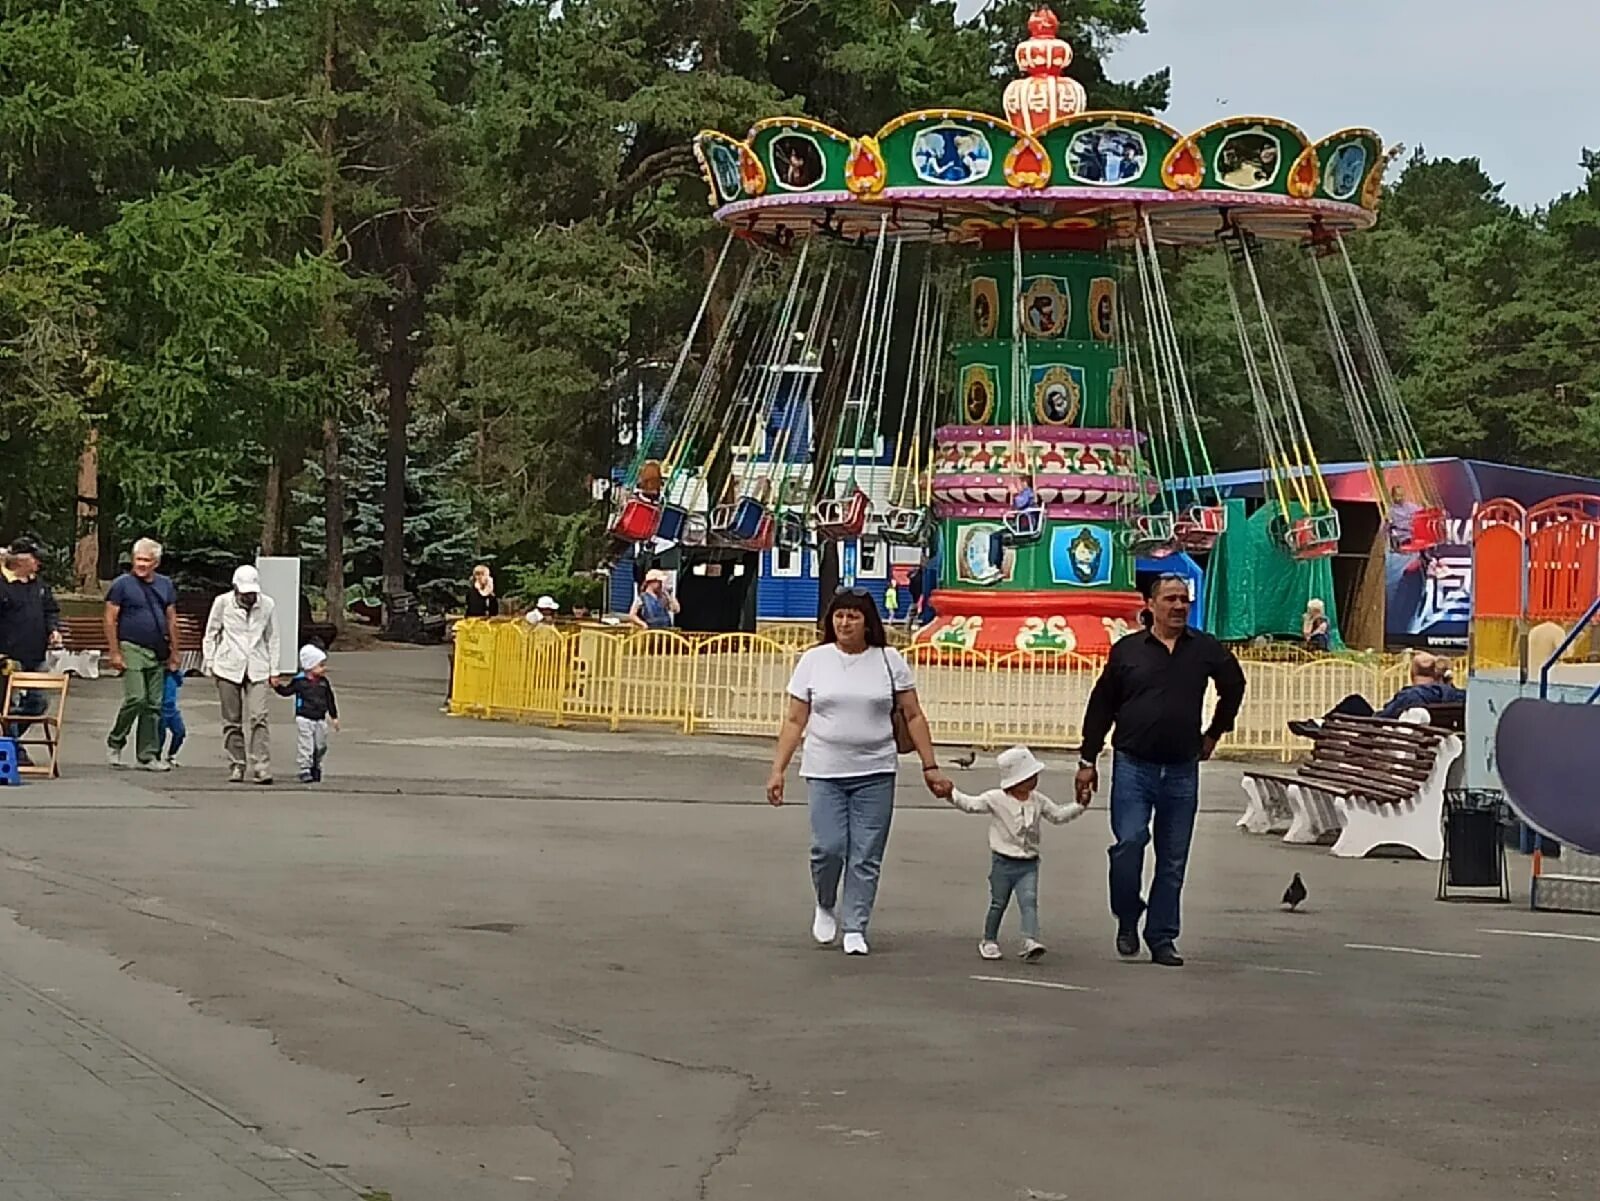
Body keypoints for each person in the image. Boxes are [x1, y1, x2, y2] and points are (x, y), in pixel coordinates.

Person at [767, 589, 952, 956]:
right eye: (839, 616)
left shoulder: (889, 659)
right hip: (825, 769)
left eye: (853, 616)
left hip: (876, 769)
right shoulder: (814, 660)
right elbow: (794, 718)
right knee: (828, 847)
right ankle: (825, 902)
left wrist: (930, 766)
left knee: (867, 853)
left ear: (868, 622)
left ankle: (855, 925)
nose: (844, 623)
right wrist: (778, 769)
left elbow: (912, 715)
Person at [1076, 574, 1247, 967]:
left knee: (1173, 860)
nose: (1179, 606)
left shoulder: (1204, 649)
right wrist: (1088, 760)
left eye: (1184, 599)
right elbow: (1101, 706)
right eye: (1170, 599)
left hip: (1182, 768)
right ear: (1150, 605)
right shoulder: (1128, 651)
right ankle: (1127, 912)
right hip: (1134, 766)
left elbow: (1233, 685)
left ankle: (1162, 937)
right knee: (1129, 843)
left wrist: (1215, 732)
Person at [946, 745, 1085, 962]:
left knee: (1029, 900)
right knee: (998, 902)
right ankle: (989, 939)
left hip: (1028, 863)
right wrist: (950, 793)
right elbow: (971, 805)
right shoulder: (995, 798)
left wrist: (1079, 806)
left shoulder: (1037, 800)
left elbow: (1057, 815)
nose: (1034, 781)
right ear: (1015, 780)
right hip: (1003, 862)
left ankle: (1030, 939)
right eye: (1030, 776)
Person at [104, 538, 181, 771]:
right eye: (138, 559)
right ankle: (116, 740)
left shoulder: (165, 585)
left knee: (153, 704)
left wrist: (175, 652)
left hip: (157, 650)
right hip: (131, 646)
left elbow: (171, 618)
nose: (141, 564)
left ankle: (147, 755)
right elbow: (110, 618)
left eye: (147, 560)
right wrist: (114, 651)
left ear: (156, 562)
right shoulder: (122, 585)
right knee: (136, 697)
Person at [203, 564, 281, 785]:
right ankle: (237, 763)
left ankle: (261, 766)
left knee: (259, 716)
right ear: (236, 588)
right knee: (232, 720)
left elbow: (272, 638)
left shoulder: (267, 604)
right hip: (228, 665)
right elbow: (211, 633)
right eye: (245, 592)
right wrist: (210, 661)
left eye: (252, 592)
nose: (249, 597)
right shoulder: (222, 603)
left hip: (257, 666)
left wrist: (275, 670)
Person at [1290, 651, 1465, 736]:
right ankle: (1323, 724)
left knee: (1355, 702)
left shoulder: (1414, 695)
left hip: (1385, 733)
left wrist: (1378, 717)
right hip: (1420, 736)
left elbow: (1386, 716)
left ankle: (1323, 724)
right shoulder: (1458, 697)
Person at [0, 540, 63, 765]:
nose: (39, 563)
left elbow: (51, 610)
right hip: (8, 656)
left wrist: (53, 629)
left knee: (39, 702)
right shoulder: (3, 583)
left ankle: (11, 742)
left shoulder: (39, 585)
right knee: (11, 704)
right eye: (35, 558)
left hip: (36, 654)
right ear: (21, 560)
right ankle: (14, 750)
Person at [275, 645, 339, 784]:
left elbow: (329, 698)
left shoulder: (323, 682)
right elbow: (287, 691)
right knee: (306, 744)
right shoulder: (300, 682)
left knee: (320, 745)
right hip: (304, 717)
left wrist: (333, 716)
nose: (324, 668)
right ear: (310, 666)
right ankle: (305, 768)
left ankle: (316, 764)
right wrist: (277, 686)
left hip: (320, 718)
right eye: (320, 665)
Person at [157, 668, 186, 767]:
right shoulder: (157, 675)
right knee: (160, 735)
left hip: (172, 709)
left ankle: (172, 755)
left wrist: (175, 671)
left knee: (180, 732)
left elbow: (179, 682)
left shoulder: (174, 675)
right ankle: (156, 756)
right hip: (160, 709)